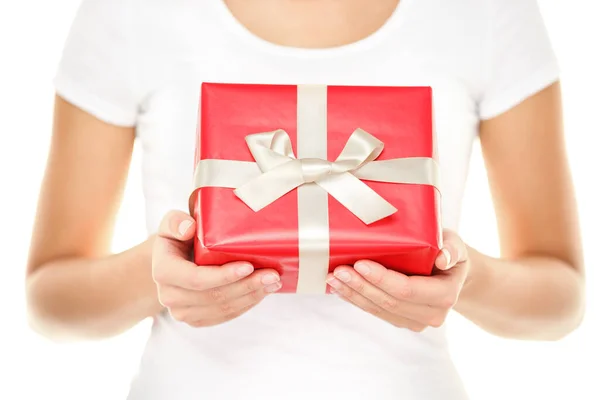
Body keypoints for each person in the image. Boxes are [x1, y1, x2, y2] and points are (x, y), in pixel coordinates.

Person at [25, 0, 585, 399]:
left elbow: (560, 301)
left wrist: (464, 277)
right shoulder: (129, 12)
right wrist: (159, 277)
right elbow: (52, 302)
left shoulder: (485, 11)